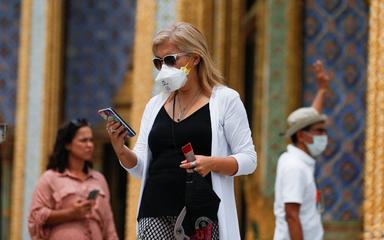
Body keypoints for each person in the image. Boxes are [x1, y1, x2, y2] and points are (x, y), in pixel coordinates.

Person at [106, 22, 257, 240]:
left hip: (200, 212)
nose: (164, 68)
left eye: (170, 60)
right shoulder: (154, 104)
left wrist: (211, 163)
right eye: (158, 62)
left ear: (195, 57)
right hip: (154, 210)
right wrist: (121, 150)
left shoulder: (225, 100)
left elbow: (248, 160)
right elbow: (141, 167)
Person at [28, 119, 118, 240]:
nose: (90, 145)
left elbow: (109, 225)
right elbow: (35, 217)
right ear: (68, 144)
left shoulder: (99, 180)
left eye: (91, 140)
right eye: (83, 140)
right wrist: (70, 213)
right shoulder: (50, 178)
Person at [273, 60, 330, 240]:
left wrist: (322, 89)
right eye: (319, 132)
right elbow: (292, 216)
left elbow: (310, 118)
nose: (323, 136)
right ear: (301, 136)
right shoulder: (294, 166)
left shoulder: (298, 160)